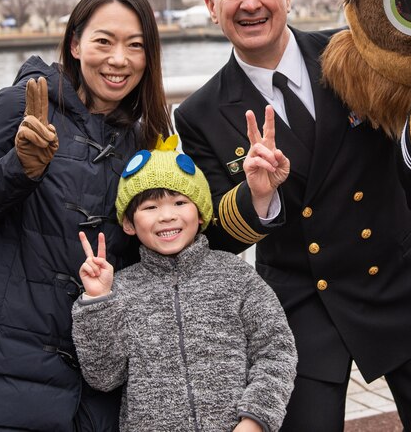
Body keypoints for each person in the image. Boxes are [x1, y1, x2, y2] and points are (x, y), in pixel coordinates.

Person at [173, 0, 411, 431]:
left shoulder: (355, 52)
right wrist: (259, 196)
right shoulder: (199, 113)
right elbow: (219, 236)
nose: (250, 4)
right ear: (210, 4)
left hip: (399, 278)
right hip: (302, 301)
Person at [0, 0, 173, 431]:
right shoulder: (20, 107)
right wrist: (18, 168)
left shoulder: (144, 137)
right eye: (104, 41)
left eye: (135, 46)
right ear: (75, 44)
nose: (119, 59)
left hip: (98, 376)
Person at [72, 135, 297, 432]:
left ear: (201, 212)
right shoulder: (121, 290)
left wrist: (255, 419)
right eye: (150, 207)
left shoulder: (235, 275)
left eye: (180, 202)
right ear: (129, 222)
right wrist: (98, 301)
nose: (167, 216)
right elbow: (104, 377)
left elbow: (276, 350)